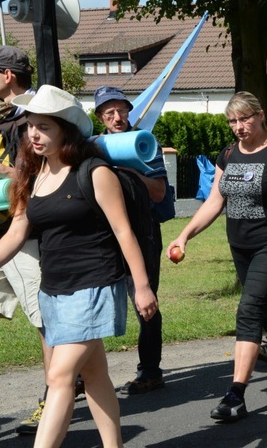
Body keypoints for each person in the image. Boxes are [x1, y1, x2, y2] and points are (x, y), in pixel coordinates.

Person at [0, 84, 157, 446]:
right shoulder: (33, 177)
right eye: (31, 125)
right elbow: (16, 235)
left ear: (65, 130)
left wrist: (141, 287)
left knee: (60, 377)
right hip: (54, 291)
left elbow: (124, 232)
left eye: (44, 126)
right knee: (95, 376)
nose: (34, 133)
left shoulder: (95, 172)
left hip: (94, 284)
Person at [168, 91, 267, 423]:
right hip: (241, 248)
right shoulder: (229, 154)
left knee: (248, 312)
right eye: (233, 121)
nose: (239, 126)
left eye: (244, 118)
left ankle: (235, 394)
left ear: (260, 115)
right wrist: (185, 235)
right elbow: (215, 201)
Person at [0, 46, 51, 436]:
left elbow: (49, 176)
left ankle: (53, 398)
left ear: (7, 74)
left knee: (47, 322)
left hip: (25, 236)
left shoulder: (35, 119)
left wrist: (1, 170)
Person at [93, 86, 168, 395]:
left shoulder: (146, 144)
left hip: (143, 234)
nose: (117, 117)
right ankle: (86, 375)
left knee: (145, 302)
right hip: (101, 238)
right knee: (91, 303)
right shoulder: (92, 146)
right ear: (99, 117)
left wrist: (131, 173)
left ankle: (150, 371)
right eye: (109, 112)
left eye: (122, 110)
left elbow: (160, 192)